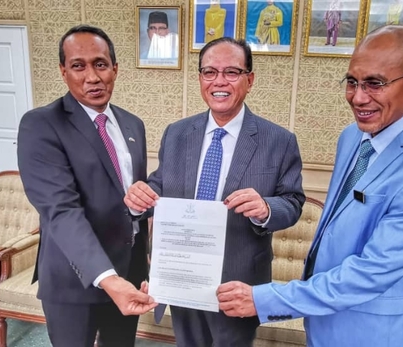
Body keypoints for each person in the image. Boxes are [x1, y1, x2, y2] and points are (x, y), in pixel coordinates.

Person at [216, 25, 403, 347]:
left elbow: (372, 272)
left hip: (367, 332)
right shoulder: (353, 137)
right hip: (321, 318)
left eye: (375, 83)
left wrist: (267, 299)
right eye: (352, 82)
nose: (358, 97)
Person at [124, 37, 305, 346]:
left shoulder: (279, 140)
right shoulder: (177, 133)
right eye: (210, 72)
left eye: (232, 72)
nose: (219, 81)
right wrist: (140, 196)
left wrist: (266, 208)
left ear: (249, 80)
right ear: (200, 79)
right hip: (181, 275)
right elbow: (161, 185)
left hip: (237, 282)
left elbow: (293, 202)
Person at [17, 24, 157, 347]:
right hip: (74, 279)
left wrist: (149, 260)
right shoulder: (41, 125)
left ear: (115, 69)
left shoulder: (133, 124)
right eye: (78, 66)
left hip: (128, 273)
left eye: (100, 64)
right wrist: (107, 279)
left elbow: (132, 201)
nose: (92, 77)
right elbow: (61, 211)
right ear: (63, 71)